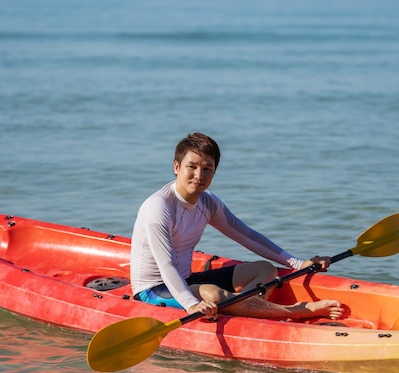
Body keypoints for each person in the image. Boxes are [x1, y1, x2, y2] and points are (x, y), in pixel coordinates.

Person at [130, 132, 343, 321]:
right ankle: (295, 312)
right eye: (192, 167)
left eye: (207, 169)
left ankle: (245, 310)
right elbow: (167, 265)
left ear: (214, 172)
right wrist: (191, 305)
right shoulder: (158, 207)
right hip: (154, 290)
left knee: (265, 270)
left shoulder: (208, 202)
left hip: (186, 279)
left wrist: (297, 263)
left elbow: (245, 235)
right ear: (177, 167)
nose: (199, 175)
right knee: (213, 294)